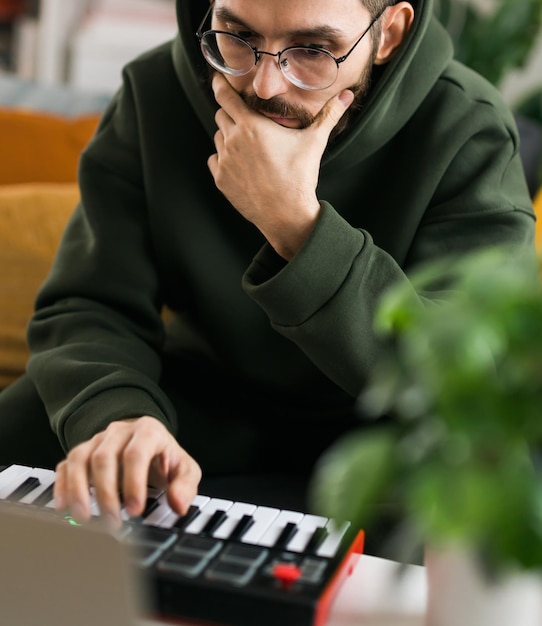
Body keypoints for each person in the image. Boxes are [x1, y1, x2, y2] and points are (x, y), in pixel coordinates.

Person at [0, 0, 535, 536]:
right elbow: (90, 302)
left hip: (382, 439)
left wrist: (295, 222)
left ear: (389, 32)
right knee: (29, 420)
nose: (265, 86)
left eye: (312, 50)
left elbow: (466, 379)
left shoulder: (467, 127)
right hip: (201, 406)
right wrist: (120, 418)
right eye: (237, 35)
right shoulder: (154, 90)